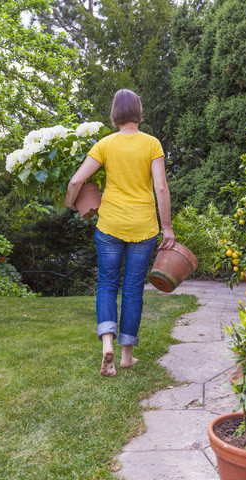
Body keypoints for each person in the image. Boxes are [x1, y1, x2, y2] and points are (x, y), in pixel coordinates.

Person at [65, 89, 175, 377]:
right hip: (143, 227)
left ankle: (107, 346)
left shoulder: (105, 144)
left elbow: (77, 179)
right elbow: (161, 187)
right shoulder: (152, 144)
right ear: (138, 112)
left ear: (115, 113)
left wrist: (69, 201)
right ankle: (126, 356)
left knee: (106, 285)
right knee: (133, 289)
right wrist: (167, 227)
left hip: (110, 225)